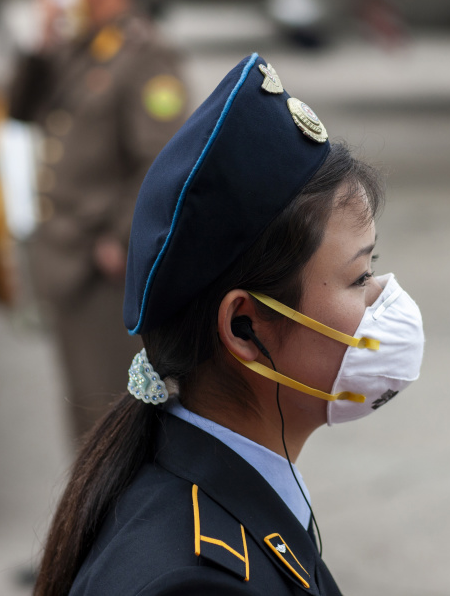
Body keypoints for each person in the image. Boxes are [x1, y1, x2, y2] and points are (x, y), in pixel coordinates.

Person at [34, 54, 424, 595]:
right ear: (245, 328)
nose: (384, 298)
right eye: (359, 278)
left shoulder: (202, 489)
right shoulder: (197, 582)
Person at [8, 0, 188, 441]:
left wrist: (116, 238)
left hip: (104, 271)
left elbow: (164, 157)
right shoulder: (81, 47)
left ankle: (123, 527)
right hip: (68, 264)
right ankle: (99, 526)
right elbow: (21, 112)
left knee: (111, 429)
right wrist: (40, 41)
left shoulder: (144, 54)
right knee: (86, 420)